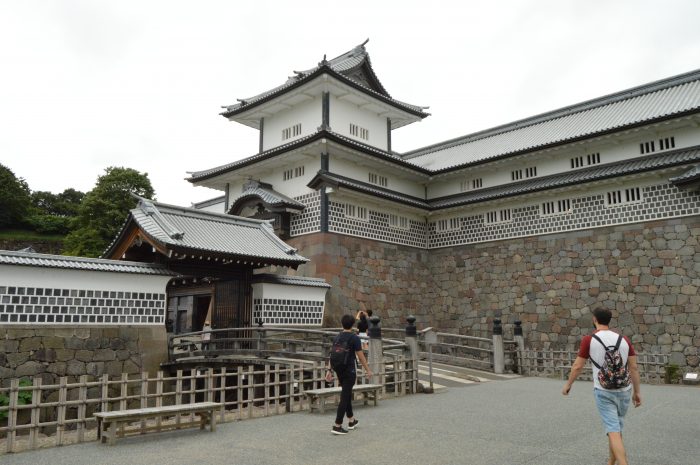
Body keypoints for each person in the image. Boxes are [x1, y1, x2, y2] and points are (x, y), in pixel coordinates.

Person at [562, 308, 642, 465]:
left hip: (603, 390)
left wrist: (568, 385)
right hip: (625, 389)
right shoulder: (624, 339)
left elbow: (577, 366)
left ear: (594, 319)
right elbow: (633, 368)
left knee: (613, 430)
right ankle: (611, 462)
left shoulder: (589, 340)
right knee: (616, 428)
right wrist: (637, 392)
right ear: (610, 320)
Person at [328, 314, 372, 435]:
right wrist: (368, 369)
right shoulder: (354, 338)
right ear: (352, 325)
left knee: (346, 393)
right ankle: (337, 425)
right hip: (349, 370)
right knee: (345, 396)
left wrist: (329, 370)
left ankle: (351, 420)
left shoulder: (337, 337)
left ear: (342, 324)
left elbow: (332, 354)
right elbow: (361, 356)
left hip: (339, 369)